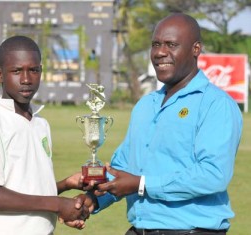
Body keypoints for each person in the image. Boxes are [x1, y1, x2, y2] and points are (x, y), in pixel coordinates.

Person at [84, 13, 243, 235]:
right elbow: (123, 169)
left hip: (192, 230)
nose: (160, 52)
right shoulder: (145, 104)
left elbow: (212, 175)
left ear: (195, 49)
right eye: (156, 44)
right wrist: (92, 200)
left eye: (171, 45)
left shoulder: (216, 104)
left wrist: (141, 184)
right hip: (140, 229)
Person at [0, 35, 90, 235]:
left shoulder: (40, 123)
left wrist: (65, 185)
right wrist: (57, 204)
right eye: (16, 71)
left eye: (33, 70)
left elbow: (27, 191)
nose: (26, 79)